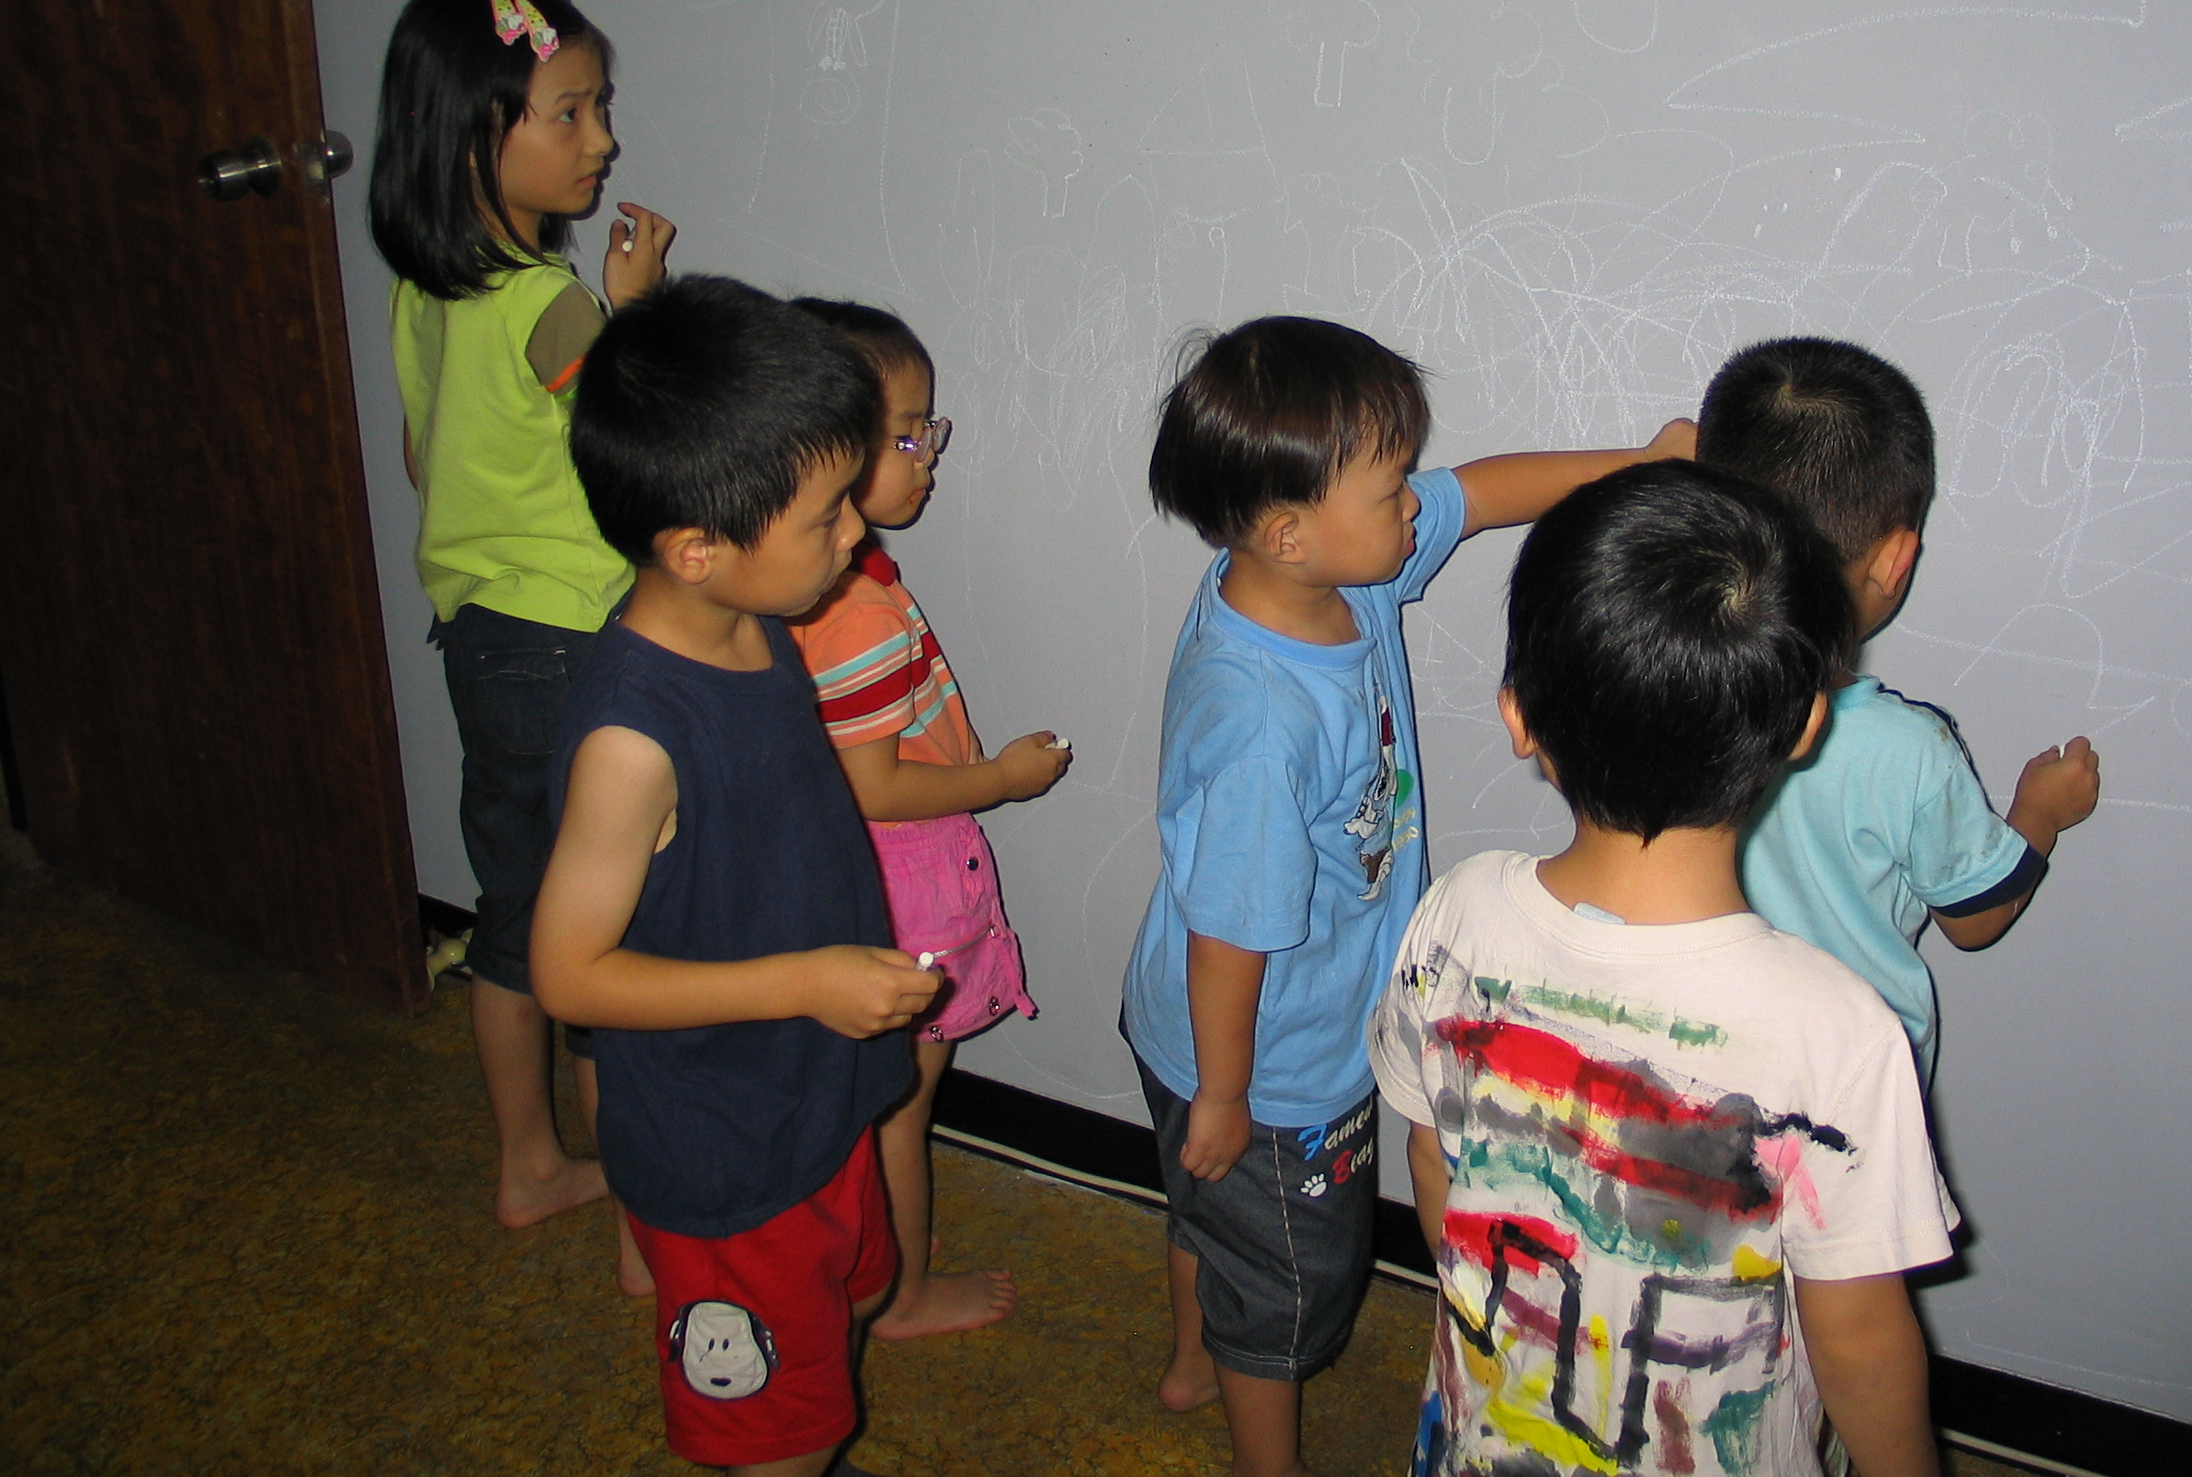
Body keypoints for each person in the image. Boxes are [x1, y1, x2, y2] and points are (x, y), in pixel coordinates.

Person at [1121, 313, 1693, 1477]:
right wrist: (1227, 1096)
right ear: (1289, 530)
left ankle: (1189, 1360)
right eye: (1391, 490)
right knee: (1286, 1281)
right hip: (1263, 1059)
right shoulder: (1263, 725)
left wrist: (1636, 464)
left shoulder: (1331, 574)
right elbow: (1230, 936)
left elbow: (1477, 496)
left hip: (1228, 1028)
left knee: (1213, 1218)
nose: (1412, 505)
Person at [1371, 460, 1958, 1476]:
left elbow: (1434, 1164)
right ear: (1805, 725)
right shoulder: (1837, 1032)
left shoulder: (1455, 915)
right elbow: (1860, 1341)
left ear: (1519, 717)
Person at [530, 276, 938, 1477]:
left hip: (810, 1097)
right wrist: (805, 981)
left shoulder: (752, 624)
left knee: (842, 1310)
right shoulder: (631, 740)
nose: (855, 533)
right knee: (774, 1430)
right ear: (696, 550)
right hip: (726, 1147)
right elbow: (569, 975)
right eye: (825, 517)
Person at [368, 0, 676, 1290]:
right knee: (608, 929)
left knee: (514, 913)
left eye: (599, 107)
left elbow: (420, 455)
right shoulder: (551, 304)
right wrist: (638, 305)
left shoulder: (427, 289)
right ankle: (645, 1233)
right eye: (572, 112)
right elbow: (641, 434)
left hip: (482, 639)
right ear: (475, 136)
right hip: (570, 645)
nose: (603, 138)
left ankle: (530, 1165)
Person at [1695, 338, 2100, 1084]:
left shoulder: (1663, 694)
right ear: (1895, 561)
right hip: (1857, 1089)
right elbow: (1974, 920)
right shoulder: (1908, 749)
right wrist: (2040, 814)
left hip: (1697, 1064)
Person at [788, 300, 1072, 1342]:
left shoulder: (834, 579)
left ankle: (875, 1241)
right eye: (908, 435)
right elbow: (875, 786)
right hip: (901, 876)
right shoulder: (857, 608)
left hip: (859, 872)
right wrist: (999, 779)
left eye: (927, 430)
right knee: (901, 1105)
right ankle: (899, 1293)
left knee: (869, 1100)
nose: (929, 456)